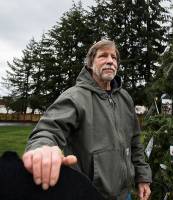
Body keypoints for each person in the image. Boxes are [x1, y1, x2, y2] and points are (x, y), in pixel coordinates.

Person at [22, 40, 152, 200]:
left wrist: (142, 177)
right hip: (90, 194)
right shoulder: (75, 96)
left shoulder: (125, 98)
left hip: (124, 194)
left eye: (114, 57)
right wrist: (42, 148)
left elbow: (135, 142)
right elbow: (48, 130)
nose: (110, 61)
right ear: (90, 64)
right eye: (103, 56)